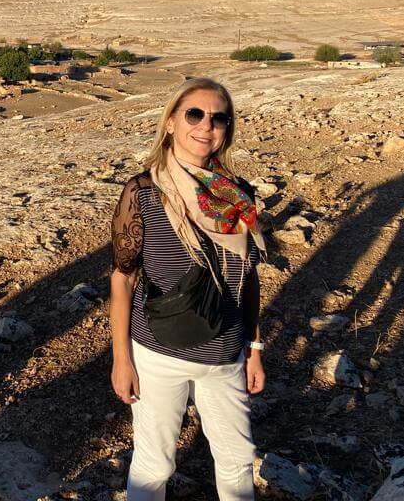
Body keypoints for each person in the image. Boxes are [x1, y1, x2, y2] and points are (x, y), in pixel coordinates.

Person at [109, 78, 267, 501]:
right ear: (171, 123)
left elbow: (247, 277)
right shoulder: (143, 192)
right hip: (159, 354)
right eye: (194, 114)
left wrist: (254, 349)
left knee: (237, 458)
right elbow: (123, 278)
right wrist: (121, 360)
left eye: (218, 117)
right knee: (154, 463)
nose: (206, 125)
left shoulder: (237, 195)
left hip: (226, 352)